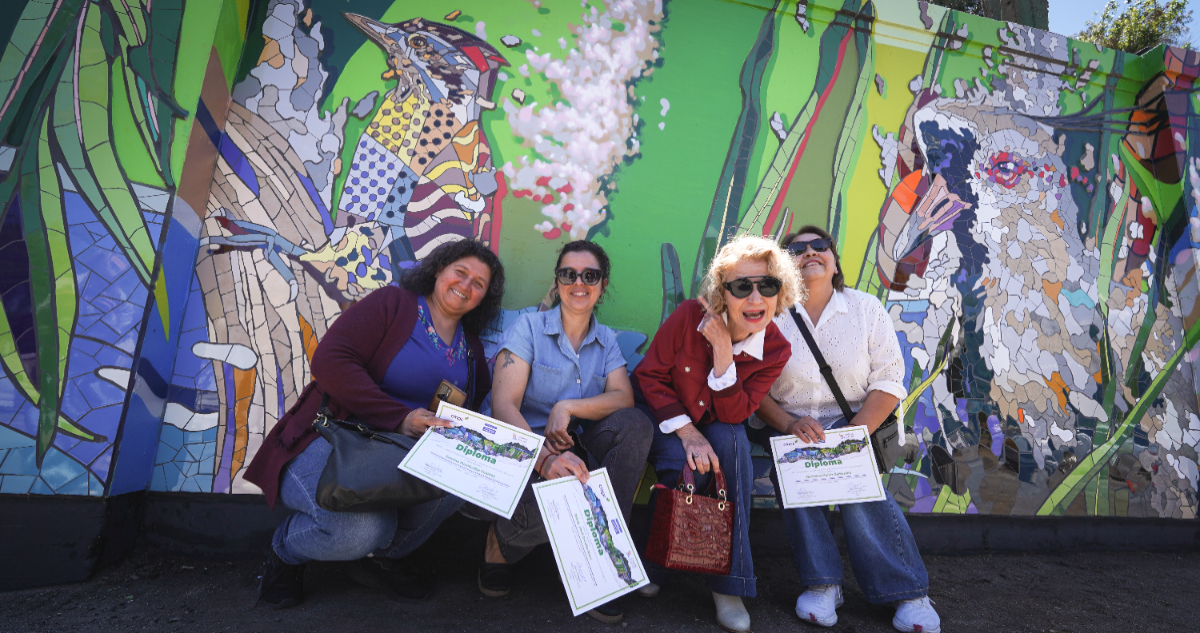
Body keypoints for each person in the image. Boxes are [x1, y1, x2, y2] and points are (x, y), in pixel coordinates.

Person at [244, 240, 504, 609]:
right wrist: (399, 417)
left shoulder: (471, 349)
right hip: (335, 439)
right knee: (364, 529)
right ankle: (286, 551)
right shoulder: (393, 305)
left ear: (483, 298)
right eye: (460, 272)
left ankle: (382, 558)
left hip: (398, 456)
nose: (467, 285)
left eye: (479, 283)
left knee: (462, 475)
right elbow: (330, 361)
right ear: (437, 271)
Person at [754, 226, 940, 633]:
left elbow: (890, 379)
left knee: (855, 481)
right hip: (792, 425)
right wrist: (788, 423)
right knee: (794, 473)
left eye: (820, 245)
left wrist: (850, 438)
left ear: (835, 259)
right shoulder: (768, 314)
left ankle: (907, 591)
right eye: (797, 248)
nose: (810, 252)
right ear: (785, 265)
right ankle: (822, 584)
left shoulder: (865, 308)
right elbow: (755, 389)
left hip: (857, 421)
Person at [633, 234, 803, 633]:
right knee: (689, 468)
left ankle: (730, 586)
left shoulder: (776, 349)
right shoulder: (690, 315)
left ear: (781, 292)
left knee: (732, 441)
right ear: (722, 293)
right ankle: (660, 559)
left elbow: (734, 413)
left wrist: (724, 351)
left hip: (717, 424)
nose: (756, 297)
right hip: (663, 417)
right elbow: (650, 377)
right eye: (742, 286)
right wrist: (689, 434)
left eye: (768, 285)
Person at [479, 240, 653, 624]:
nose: (579, 282)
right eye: (568, 274)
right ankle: (500, 543)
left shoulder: (605, 339)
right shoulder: (530, 328)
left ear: (602, 285)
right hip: (523, 452)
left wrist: (567, 407)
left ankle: (604, 559)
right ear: (557, 282)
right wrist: (545, 459)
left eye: (589, 275)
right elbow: (503, 405)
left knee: (637, 425)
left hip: (578, 446)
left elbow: (623, 397)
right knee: (550, 504)